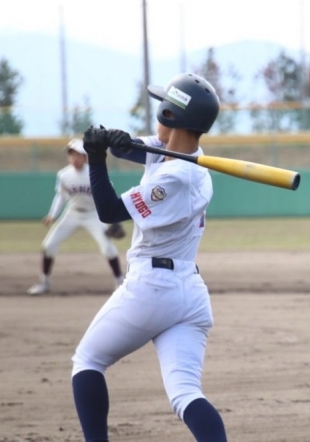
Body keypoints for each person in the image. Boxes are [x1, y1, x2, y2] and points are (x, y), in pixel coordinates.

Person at [70, 73, 227, 442]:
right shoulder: (184, 154)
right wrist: (114, 141)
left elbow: (109, 211)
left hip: (152, 288)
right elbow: (136, 150)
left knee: (87, 361)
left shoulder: (177, 178)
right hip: (189, 293)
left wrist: (96, 159)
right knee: (186, 394)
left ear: (170, 115)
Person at [27, 138, 124, 295]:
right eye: (71, 154)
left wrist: (114, 217)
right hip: (72, 213)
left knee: (108, 248)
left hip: (93, 214)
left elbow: (109, 193)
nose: (74, 158)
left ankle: (120, 283)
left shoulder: (95, 173)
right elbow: (60, 196)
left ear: (85, 157)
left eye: (77, 155)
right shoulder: (64, 175)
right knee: (48, 246)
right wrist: (52, 215)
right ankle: (44, 283)